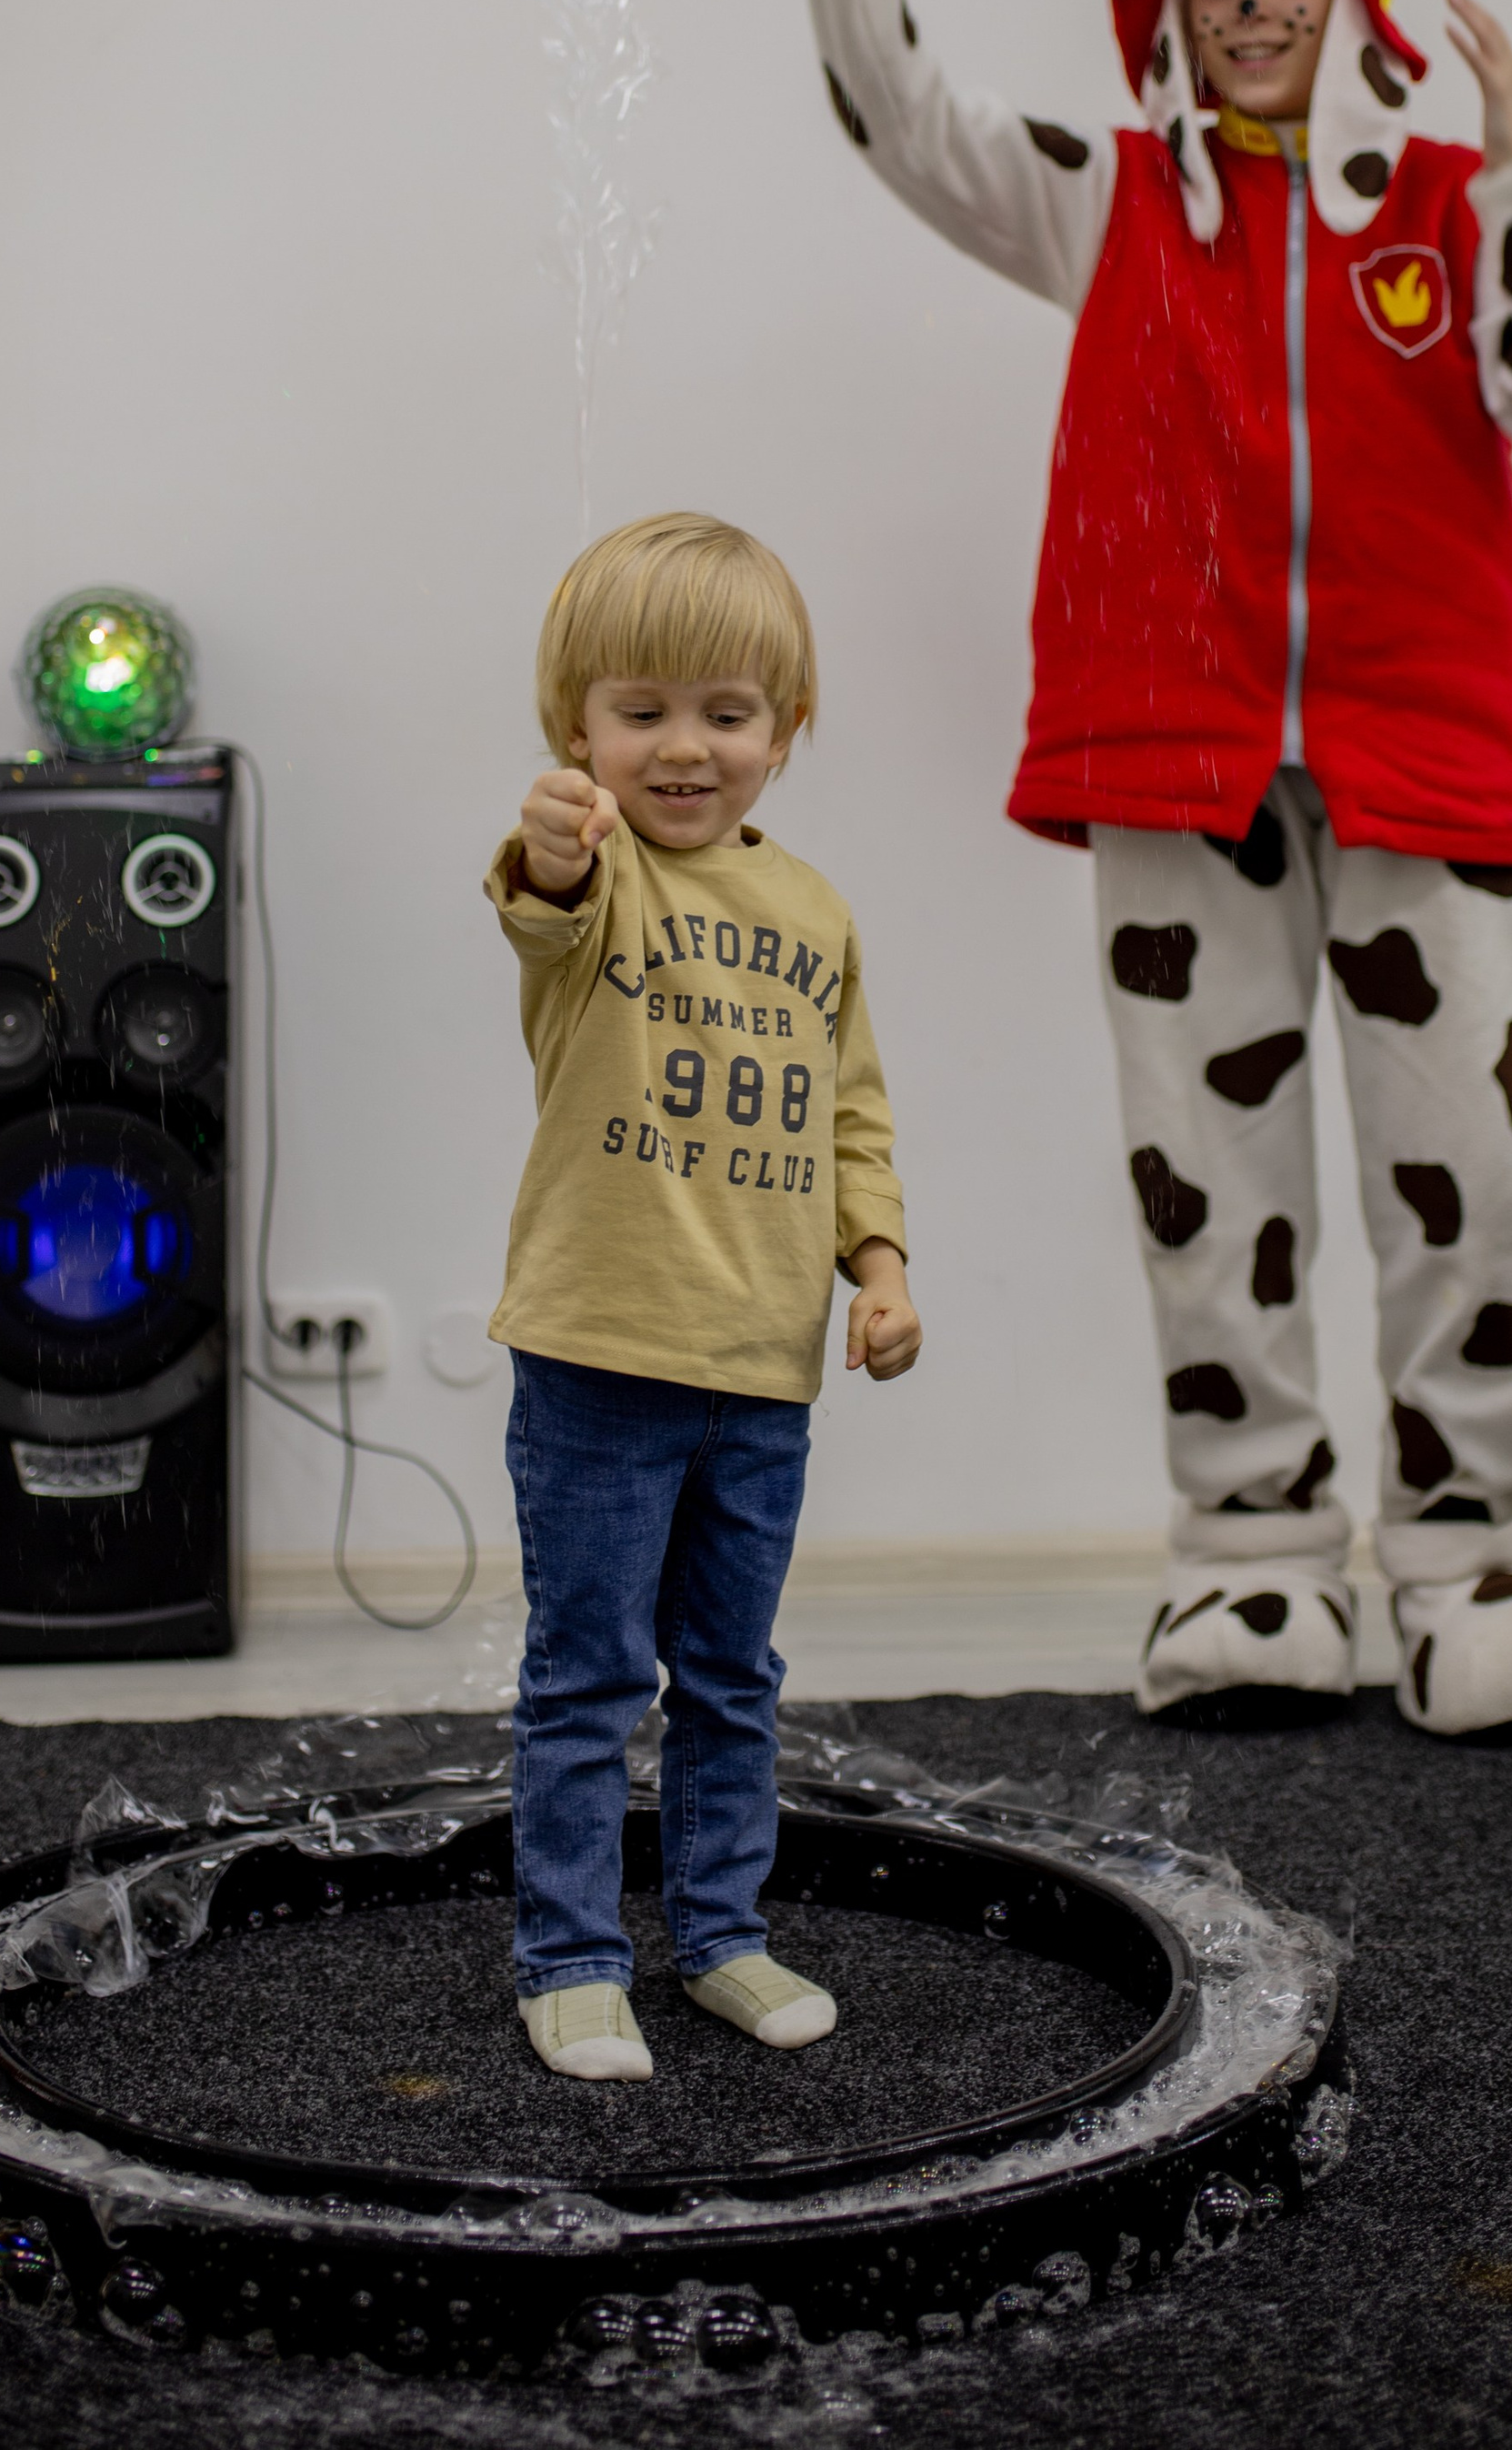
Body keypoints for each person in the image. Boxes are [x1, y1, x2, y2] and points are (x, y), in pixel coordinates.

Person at [745, 0, 1512, 1738]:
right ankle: (1253, 1549)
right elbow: (900, 112)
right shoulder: (1114, 203)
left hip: (1424, 759)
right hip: (1177, 759)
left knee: (1477, 1176)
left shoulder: (1448, 206)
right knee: (1205, 1179)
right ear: (1177, 8)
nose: (1251, 10)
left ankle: (1473, 1554)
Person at [486, 509, 922, 2079]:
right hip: (600, 1360)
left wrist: (880, 1269)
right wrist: (552, 840)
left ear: (784, 731)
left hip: (762, 1368)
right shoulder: (596, 875)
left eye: (725, 713)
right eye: (641, 711)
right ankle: (570, 1957)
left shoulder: (818, 913)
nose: (685, 747)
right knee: (590, 1677)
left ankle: (722, 1935)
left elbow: (852, 1117)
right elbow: (537, 900)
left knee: (734, 1678)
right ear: (577, 730)